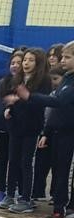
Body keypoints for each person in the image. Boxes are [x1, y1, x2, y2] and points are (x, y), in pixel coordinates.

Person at [13, 40, 74, 218]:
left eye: (67, 57)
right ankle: (60, 207)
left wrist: (30, 96)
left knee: (64, 171)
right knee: (59, 170)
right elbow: (56, 108)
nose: (62, 60)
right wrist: (47, 132)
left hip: (69, 132)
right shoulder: (67, 78)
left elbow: (58, 102)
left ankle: (64, 208)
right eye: (63, 57)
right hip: (60, 132)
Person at [1, 48, 51, 214]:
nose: (26, 63)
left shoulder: (44, 81)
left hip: (31, 127)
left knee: (26, 162)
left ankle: (26, 198)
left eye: (30, 60)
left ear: (38, 63)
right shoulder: (18, 78)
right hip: (16, 125)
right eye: (25, 60)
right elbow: (12, 98)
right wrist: (9, 107)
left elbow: (38, 103)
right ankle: (9, 195)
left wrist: (22, 98)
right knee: (13, 160)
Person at [0, 50, 26, 204]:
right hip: (1, 128)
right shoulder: (2, 83)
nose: (15, 66)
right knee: (2, 158)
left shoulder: (29, 85)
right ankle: (1, 190)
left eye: (19, 63)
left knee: (19, 160)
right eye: (12, 63)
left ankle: (21, 192)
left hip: (20, 129)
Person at [30, 67, 66, 202]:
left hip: (59, 133)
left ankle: (55, 194)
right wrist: (44, 133)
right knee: (41, 164)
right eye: (51, 79)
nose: (53, 82)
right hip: (45, 132)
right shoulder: (51, 93)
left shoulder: (64, 95)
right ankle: (37, 192)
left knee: (58, 166)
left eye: (56, 79)